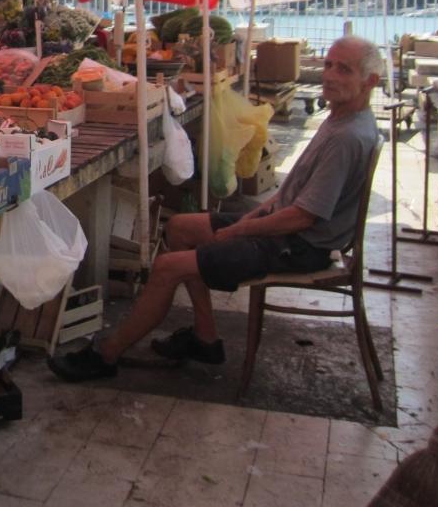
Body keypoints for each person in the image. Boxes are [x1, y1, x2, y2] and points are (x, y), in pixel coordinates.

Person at [49, 34, 382, 381]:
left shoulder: (346, 138)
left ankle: (106, 355)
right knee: (180, 227)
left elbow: (302, 216)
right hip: (287, 230)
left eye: (344, 70)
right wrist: (251, 217)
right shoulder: (343, 119)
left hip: (299, 247)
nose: (329, 75)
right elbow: (292, 195)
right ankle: (205, 338)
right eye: (328, 65)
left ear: (370, 81)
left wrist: (242, 230)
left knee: (166, 267)